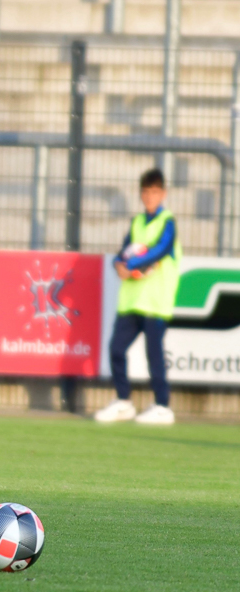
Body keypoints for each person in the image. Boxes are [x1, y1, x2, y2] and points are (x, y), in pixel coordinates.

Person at [94, 168, 180, 425]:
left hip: (155, 302)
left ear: (163, 194)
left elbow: (160, 250)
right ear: (141, 194)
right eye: (146, 192)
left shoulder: (167, 222)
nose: (149, 196)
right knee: (116, 349)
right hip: (132, 302)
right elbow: (123, 252)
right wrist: (118, 264)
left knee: (154, 354)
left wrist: (130, 265)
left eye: (154, 192)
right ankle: (124, 402)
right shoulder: (137, 222)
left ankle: (163, 406)